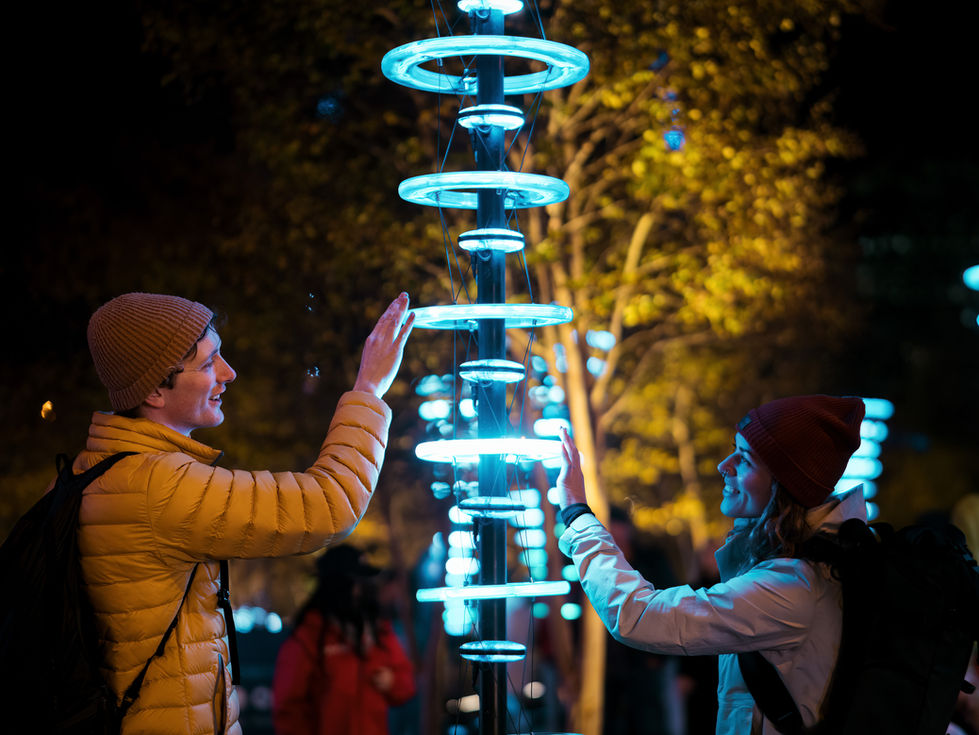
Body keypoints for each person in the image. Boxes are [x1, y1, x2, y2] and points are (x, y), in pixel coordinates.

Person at [76, 290, 414, 735]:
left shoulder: (93, 469)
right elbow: (329, 505)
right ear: (155, 389)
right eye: (207, 362)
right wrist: (368, 389)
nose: (228, 373)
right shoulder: (159, 486)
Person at [556, 395, 867, 735]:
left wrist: (577, 516)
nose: (724, 465)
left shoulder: (794, 586)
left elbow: (641, 616)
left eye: (745, 459)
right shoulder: (801, 568)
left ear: (784, 484)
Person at [272, 544, 416, 735]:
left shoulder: (378, 631)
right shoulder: (309, 638)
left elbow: (406, 683)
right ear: (337, 585)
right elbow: (288, 711)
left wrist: (392, 682)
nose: (361, 590)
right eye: (356, 583)